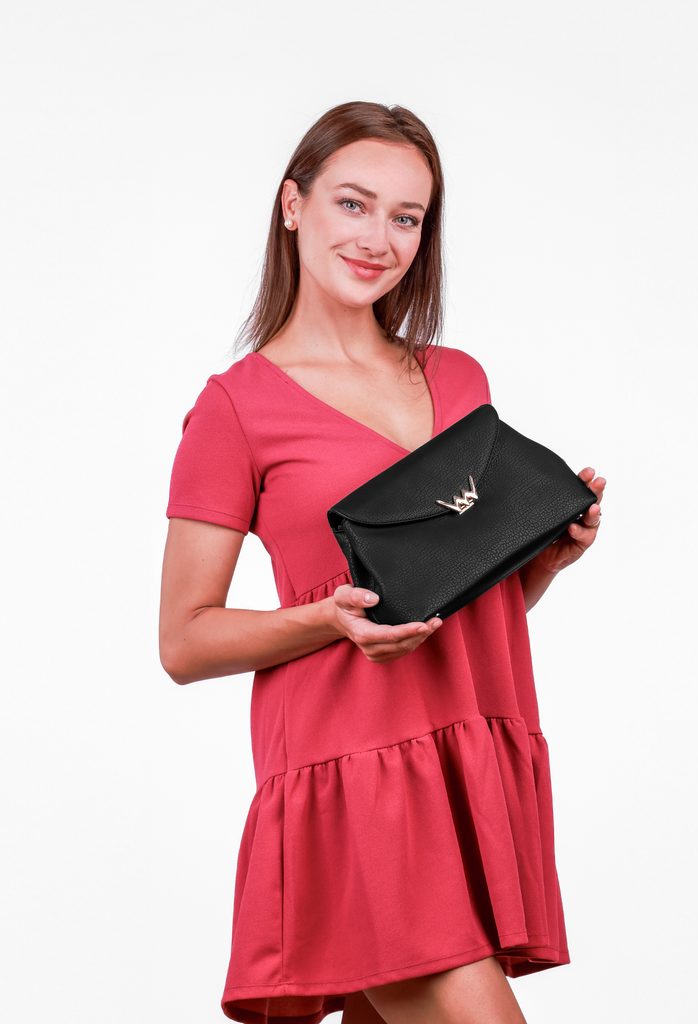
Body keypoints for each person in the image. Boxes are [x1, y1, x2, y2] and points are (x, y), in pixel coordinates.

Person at [159, 100, 605, 1024]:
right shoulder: (235, 409)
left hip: (467, 752)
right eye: (353, 204)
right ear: (293, 205)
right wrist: (325, 620)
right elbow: (184, 641)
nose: (378, 239)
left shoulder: (460, 378)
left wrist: (546, 562)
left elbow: (449, 608)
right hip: (352, 776)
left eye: (407, 217)